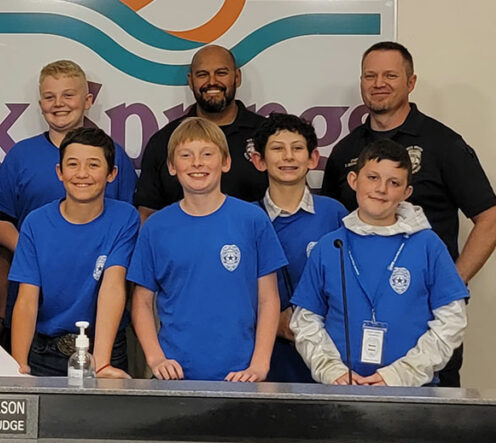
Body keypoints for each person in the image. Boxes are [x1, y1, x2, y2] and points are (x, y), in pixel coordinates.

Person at [321, 41, 496, 387]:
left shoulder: (443, 144)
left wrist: (449, 286)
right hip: (354, 331)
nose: (378, 83)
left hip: (425, 322)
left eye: (390, 75)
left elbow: (489, 219)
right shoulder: (345, 152)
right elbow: (333, 228)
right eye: (370, 75)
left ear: (411, 82)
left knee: (430, 430)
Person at [291, 140, 469, 386]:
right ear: (354, 181)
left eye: (394, 183)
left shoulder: (428, 245)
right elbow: (306, 319)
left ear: (406, 192)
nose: (381, 189)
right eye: (372, 177)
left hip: (411, 394)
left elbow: (452, 319)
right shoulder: (329, 246)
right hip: (342, 390)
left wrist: (401, 374)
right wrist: (332, 371)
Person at [129, 117, 286, 382]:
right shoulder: (155, 227)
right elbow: (141, 302)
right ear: (171, 166)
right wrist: (156, 358)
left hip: (241, 375)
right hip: (175, 376)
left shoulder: (252, 219)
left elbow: (268, 299)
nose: (197, 163)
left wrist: (259, 363)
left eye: (207, 154)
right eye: (186, 155)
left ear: (225, 162)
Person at [0, 60, 137, 333]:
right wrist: (33, 251)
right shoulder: (21, 157)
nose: (59, 103)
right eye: (49, 97)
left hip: (98, 309)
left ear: (88, 100)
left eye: (68, 95)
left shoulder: (114, 157)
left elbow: (128, 227)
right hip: (33, 310)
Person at [9, 127, 137, 378]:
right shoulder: (36, 223)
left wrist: (101, 364)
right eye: (73, 164)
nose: (82, 174)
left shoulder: (125, 218)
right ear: (60, 172)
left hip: (104, 349)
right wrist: (18, 365)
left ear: (112, 174)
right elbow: (27, 299)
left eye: (93, 165)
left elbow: (113, 287)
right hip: (46, 351)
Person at [250, 113, 347, 382]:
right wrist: (270, 321)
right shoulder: (245, 218)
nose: (288, 157)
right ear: (259, 160)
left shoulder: (335, 214)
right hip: (264, 352)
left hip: (329, 350)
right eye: (277, 149)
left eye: (297, 148)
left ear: (313, 159)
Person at [135, 45, 267, 222]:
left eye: (221, 73)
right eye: (202, 74)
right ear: (190, 81)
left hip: (251, 246)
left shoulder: (267, 135)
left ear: (237, 77)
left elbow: (288, 198)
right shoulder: (165, 140)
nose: (212, 82)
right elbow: (147, 214)